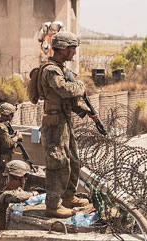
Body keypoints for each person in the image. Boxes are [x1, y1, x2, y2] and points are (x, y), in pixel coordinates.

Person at [39, 31, 97, 218]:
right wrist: (81, 86)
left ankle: (68, 196)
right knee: (58, 162)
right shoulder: (51, 70)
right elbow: (64, 90)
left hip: (64, 121)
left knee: (73, 160)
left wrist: (84, 111)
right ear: (63, 48)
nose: (74, 52)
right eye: (72, 48)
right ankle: (53, 205)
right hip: (54, 123)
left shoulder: (62, 68)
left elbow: (68, 100)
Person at [0, 160, 37, 230]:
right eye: (24, 176)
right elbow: (16, 196)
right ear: (16, 177)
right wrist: (34, 194)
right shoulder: (4, 193)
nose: (26, 178)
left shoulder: (17, 189)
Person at [0, 102, 23, 194]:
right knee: (2, 187)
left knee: (1, 186)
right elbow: (8, 143)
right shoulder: (2, 128)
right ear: (10, 115)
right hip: (3, 161)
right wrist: (17, 137)